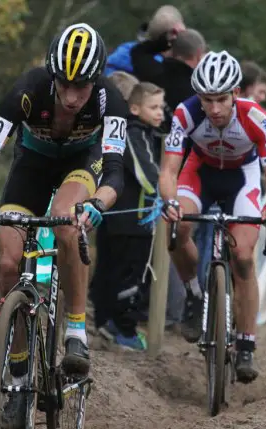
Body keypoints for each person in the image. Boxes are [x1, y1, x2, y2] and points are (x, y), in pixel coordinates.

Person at [0, 23, 127, 429]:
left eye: (80, 87)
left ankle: (76, 332)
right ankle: (16, 375)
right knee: (10, 265)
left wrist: (98, 203)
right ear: (51, 75)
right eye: (63, 84)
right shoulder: (28, 89)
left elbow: (116, 172)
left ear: (95, 81)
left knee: (66, 222)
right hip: (30, 168)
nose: (70, 96)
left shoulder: (109, 98)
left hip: (82, 164)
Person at [158, 50, 266, 383]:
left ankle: (246, 344)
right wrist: (170, 201)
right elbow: (169, 170)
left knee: (243, 257)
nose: (213, 109)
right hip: (198, 173)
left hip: (241, 179)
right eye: (207, 100)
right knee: (177, 224)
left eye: (221, 100)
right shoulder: (185, 114)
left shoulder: (256, 118)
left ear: (236, 94)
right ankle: (193, 293)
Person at [92, 82, 165, 351]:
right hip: (131, 219)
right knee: (131, 276)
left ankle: (112, 324)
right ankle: (124, 331)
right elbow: (147, 175)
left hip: (128, 218)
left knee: (119, 272)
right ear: (134, 108)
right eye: (153, 107)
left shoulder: (146, 132)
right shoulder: (134, 132)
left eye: (161, 107)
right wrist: (168, 190)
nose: (160, 113)